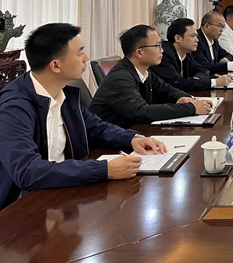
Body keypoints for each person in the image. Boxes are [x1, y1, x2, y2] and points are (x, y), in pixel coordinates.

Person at [0, 23, 167, 209]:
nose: (86, 58)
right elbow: (28, 171)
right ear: (55, 65)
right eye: (80, 53)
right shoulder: (14, 108)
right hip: (21, 207)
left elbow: (96, 127)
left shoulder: (62, 93)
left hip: (63, 195)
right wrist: (104, 169)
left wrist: (133, 139)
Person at [90, 25, 213, 128]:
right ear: (139, 52)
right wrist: (191, 108)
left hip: (134, 132)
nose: (162, 50)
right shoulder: (120, 78)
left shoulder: (144, 71)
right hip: (110, 142)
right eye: (157, 46)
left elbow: (167, 89)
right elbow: (142, 112)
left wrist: (181, 97)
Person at [150, 18, 231, 91]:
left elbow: (204, 70)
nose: (197, 40)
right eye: (193, 36)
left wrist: (195, 81)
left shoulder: (186, 53)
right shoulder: (164, 55)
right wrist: (214, 82)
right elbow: (177, 83)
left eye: (196, 36)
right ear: (178, 38)